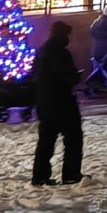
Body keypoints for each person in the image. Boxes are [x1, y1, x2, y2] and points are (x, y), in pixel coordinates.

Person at [30, 21, 84, 185]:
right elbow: (67, 76)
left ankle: (40, 176)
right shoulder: (61, 53)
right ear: (64, 35)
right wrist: (76, 77)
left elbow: (35, 75)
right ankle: (71, 174)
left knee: (46, 140)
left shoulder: (41, 51)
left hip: (44, 101)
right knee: (73, 138)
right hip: (62, 102)